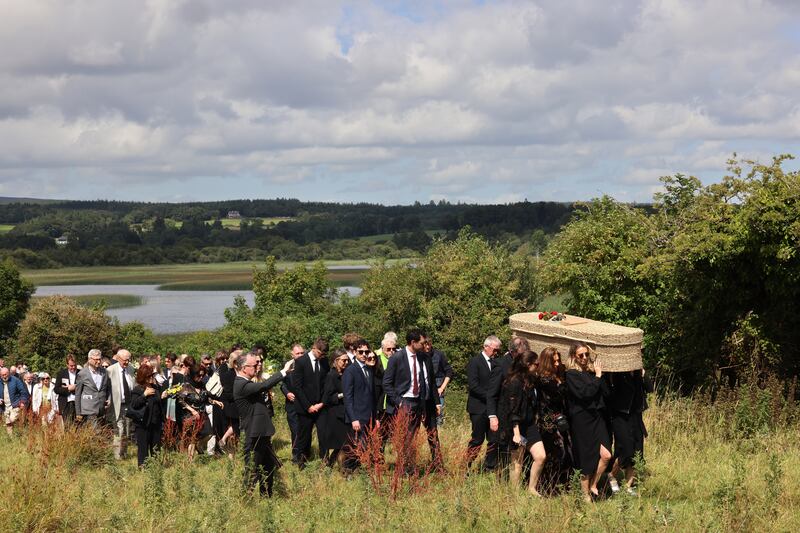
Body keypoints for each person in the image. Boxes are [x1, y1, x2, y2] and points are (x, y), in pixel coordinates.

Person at [233, 351, 293, 497]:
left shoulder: (246, 382)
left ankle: (267, 497)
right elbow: (264, 386)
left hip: (262, 433)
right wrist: (283, 371)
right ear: (243, 368)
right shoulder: (240, 384)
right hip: (253, 435)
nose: (258, 367)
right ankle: (244, 502)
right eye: (254, 365)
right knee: (252, 470)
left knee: (268, 468)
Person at [382, 329, 442, 472]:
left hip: (422, 401)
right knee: (407, 437)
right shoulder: (397, 358)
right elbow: (387, 383)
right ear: (413, 342)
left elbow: (430, 381)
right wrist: (399, 401)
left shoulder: (424, 357)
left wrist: (435, 402)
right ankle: (406, 468)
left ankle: (435, 466)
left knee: (428, 435)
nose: (424, 345)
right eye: (422, 343)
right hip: (406, 401)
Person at [565, 342, 611, 502]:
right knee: (586, 457)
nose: (585, 358)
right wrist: (597, 377)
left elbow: (604, 393)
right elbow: (585, 394)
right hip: (582, 419)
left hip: (597, 418)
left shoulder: (591, 373)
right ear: (574, 357)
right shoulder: (571, 374)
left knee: (606, 455)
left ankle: (593, 485)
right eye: (581, 355)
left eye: (586, 354)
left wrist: (600, 375)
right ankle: (585, 494)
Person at [498, 350, 546, 494]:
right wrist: (516, 434)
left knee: (540, 456)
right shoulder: (514, 382)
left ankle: (531, 488)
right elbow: (513, 410)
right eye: (536, 364)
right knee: (517, 462)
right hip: (517, 427)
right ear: (527, 364)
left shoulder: (530, 379)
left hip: (530, 425)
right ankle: (514, 493)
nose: (538, 367)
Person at [606, 367, 653, 496]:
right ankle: (611, 476)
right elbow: (611, 394)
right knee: (625, 450)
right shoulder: (617, 372)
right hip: (620, 416)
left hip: (636, 416)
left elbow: (650, 388)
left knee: (637, 452)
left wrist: (643, 373)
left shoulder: (639, 373)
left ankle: (627, 486)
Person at [533, 346, 573, 493]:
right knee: (555, 455)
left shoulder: (558, 376)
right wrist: (564, 382)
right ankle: (548, 486)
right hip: (548, 422)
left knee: (567, 453)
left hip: (561, 420)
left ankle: (563, 484)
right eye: (554, 361)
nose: (557, 364)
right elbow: (558, 394)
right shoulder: (543, 379)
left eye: (558, 360)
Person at [466, 335, 503, 471]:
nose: (496, 353)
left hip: (492, 409)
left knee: (494, 439)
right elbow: (473, 386)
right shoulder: (475, 362)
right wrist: (490, 397)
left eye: (498, 351)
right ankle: (467, 465)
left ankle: (489, 467)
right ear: (485, 347)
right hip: (478, 407)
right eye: (494, 350)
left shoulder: (496, 363)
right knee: (477, 439)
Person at [292, 337, 330, 468]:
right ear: (314, 348)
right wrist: (308, 406)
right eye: (320, 353)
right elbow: (297, 386)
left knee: (324, 435)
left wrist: (322, 403)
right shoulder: (301, 361)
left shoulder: (324, 362)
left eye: (324, 354)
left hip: (321, 407)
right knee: (304, 436)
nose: (322, 356)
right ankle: (302, 462)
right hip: (304, 407)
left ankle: (325, 462)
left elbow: (327, 385)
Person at [342, 340, 379, 472]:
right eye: (361, 352)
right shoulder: (350, 371)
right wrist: (353, 418)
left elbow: (371, 396)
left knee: (364, 446)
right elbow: (348, 396)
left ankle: (357, 470)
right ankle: (347, 471)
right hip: (356, 417)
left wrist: (375, 417)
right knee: (354, 446)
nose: (364, 354)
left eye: (366, 352)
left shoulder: (369, 370)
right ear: (354, 352)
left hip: (368, 416)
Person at [130, 364, 167, 467]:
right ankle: (143, 468)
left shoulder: (156, 388)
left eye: (152, 375)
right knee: (143, 448)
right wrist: (144, 395)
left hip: (156, 423)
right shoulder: (137, 389)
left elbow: (158, 404)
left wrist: (162, 397)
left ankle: (156, 468)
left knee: (156, 447)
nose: (151, 378)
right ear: (143, 377)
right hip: (143, 424)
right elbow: (134, 405)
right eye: (149, 376)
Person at [322, 349, 350, 467]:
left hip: (344, 413)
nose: (346, 363)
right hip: (335, 415)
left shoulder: (345, 373)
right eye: (344, 360)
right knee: (340, 443)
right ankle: (336, 466)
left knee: (344, 443)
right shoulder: (331, 376)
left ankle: (333, 465)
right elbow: (326, 398)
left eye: (347, 360)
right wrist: (341, 395)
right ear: (336, 361)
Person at [107, 349, 135, 459]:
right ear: (118, 359)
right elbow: (106, 389)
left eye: (129, 360)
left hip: (129, 404)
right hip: (117, 405)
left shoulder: (131, 369)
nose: (127, 362)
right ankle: (116, 456)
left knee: (127, 430)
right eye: (125, 360)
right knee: (119, 430)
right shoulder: (110, 370)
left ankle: (124, 453)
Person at [280, 343, 305, 462]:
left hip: (305, 404)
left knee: (304, 430)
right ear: (292, 354)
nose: (300, 355)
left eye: (302, 353)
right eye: (297, 353)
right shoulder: (288, 366)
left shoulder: (308, 366)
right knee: (295, 430)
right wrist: (287, 393)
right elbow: (282, 384)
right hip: (292, 405)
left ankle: (305, 453)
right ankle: (296, 455)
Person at [423, 335, 453, 427]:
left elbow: (449, 371)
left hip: (438, 388)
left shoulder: (439, 355)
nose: (428, 347)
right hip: (423, 389)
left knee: (438, 415)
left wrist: (442, 387)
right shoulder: (418, 356)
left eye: (429, 344)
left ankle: (439, 435)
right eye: (425, 345)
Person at [75, 349, 110, 428]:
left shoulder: (105, 372)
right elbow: (78, 394)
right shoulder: (82, 374)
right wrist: (78, 413)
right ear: (89, 359)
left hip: (102, 410)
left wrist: (109, 399)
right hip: (89, 410)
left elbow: (108, 388)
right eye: (96, 359)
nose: (98, 361)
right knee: (93, 434)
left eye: (99, 359)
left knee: (102, 434)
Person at [1, 366, 29, 435]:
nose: (4, 376)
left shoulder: (16, 380)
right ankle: (11, 438)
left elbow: (23, 392)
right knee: (8, 424)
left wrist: (22, 402)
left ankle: (19, 433)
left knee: (11, 420)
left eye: (5, 374)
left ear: (9, 373)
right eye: (2, 375)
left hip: (15, 405)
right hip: (4, 407)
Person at [54, 355, 79, 426]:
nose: (73, 367)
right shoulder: (61, 374)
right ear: (67, 365)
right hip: (65, 403)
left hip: (77, 403)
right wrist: (68, 389)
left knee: (78, 426)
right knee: (67, 425)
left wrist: (75, 387)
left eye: (74, 365)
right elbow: (56, 389)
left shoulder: (80, 373)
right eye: (71, 366)